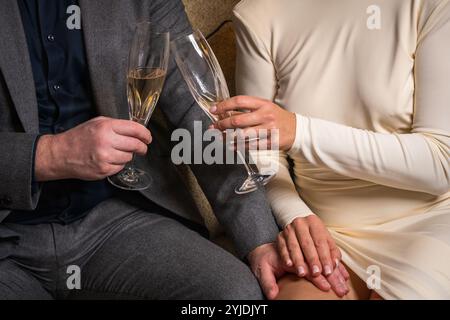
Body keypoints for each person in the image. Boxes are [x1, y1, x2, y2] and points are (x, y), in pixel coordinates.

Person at [0, 0, 292, 300]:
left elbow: (197, 112)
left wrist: (260, 241)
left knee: (236, 296)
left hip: (115, 221)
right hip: (8, 238)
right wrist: (49, 155)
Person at [212, 0, 450, 299]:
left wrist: (301, 132)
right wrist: (295, 215)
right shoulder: (258, 12)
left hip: (427, 221)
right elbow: (261, 148)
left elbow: (441, 162)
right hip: (326, 229)